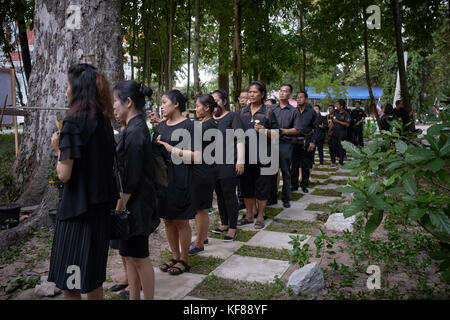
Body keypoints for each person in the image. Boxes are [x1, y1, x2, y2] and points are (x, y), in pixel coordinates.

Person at [48, 63, 117, 300]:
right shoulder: (104, 122)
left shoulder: (72, 123)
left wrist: (58, 149)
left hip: (76, 213)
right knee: (93, 280)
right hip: (100, 211)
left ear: (77, 90)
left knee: (70, 283)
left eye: (67, 86)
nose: (65, 91)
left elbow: (64, 174)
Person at [112, 80, 159, 300]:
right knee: (129, 255)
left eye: (115, 102)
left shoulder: (136, 131)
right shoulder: (132, 128)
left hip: (136, 203)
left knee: (140, 257)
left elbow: (131, 177)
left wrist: (119, 207)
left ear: (128, 102)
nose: (113, 107)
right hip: (131, 201)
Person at [153, 90, 197, 276]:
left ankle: (184, 258)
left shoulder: (190, 126)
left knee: (180, 220)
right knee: (168, 220)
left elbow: (197, 156)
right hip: (163, 177)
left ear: (176, 103)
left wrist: (172, 150)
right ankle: (175, 255)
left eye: (164, 102)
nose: (161, 106)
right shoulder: (161, 126)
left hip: (182, 175)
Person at [237, 81, 279, 230]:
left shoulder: (268, 112)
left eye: (255, 92)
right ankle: (249, 215)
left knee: (262, 187)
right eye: (250, 92)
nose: (252, 94)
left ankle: (260, 215)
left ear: (262, 94)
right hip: (245, 156)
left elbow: (277, 134)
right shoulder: (241, 112)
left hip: (263, 156)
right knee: (246, 187)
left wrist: (264, 131)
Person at [211, 89, 245, 242]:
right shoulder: (209, 119)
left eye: (216, 100)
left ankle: (232, 227)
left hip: (229, 161)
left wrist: (241, 160)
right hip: (212, 162)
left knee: (229, 195)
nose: (214, 104)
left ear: (224, 101)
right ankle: (224, 223)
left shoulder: (232, 116)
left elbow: (240, 138)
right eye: (211, 102)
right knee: (219, 194)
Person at [189, 94, 219, 254]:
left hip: (204, 170)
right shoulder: (205, 124)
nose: (195, 108)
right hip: (203, 169)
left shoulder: (208, 126)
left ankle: (199, 243)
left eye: (197, 105)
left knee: (201, 208)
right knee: (199, 207)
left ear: (207, 108)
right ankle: (202, 236)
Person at [268, 84, 301, 208]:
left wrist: (284, 131)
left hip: (285, 144)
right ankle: (272, 197)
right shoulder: (271, 108)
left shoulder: (294, 111)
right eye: (281, 91)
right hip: (271, 143)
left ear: (290, 94)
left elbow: (297, 129)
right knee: (271, 171)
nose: (282, 93)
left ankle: (286, 198)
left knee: (286, 172)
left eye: (285, 91)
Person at [290, 91, 319, 193]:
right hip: (294, 141)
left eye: (301, 97)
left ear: (306, 99)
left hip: (306, 141)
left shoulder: (311, 112)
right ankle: (293, 185)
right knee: (294, 165)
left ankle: (304, 184)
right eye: (297, 97)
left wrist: (313, 142)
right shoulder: (293, 111)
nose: (298, 99)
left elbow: (316, 129)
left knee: (306, 165)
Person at [329, 99, 351, 168]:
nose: (336, 106)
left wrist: (338, 121)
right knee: (332, 147)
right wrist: (330, 130)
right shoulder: (335, 112)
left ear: (341, 106)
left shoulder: (346, 114)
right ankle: (333, 162)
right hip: (334, 134)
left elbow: (347, 124)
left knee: (341, 149)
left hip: (342, 134)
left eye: (337, 105)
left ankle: (340, 163)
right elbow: (333, 121)